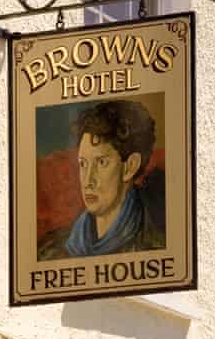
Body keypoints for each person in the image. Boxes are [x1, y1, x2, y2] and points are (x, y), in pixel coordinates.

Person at [37, 99, 166, 260]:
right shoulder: (49, 250)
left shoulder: (158, 243)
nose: (88, 180)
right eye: (83, 164)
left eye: (101, 162)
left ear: (130, 167)